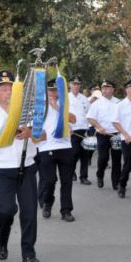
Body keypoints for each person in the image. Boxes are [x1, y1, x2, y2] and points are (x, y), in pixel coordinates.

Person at [0, 70, 45, 262]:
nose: (8, 92)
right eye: (3, 89)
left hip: (27, 167)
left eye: (11, 89)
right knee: (5, 211)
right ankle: (2, 240)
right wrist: (1, 137)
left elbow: (44, 136)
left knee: (29, 212)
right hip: (2, 169)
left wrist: (31, 132)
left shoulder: (28, 113)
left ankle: (28, 252)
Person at [37, 78, 76, 222]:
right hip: (46, 147)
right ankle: (47, 202)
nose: (54, 93)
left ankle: (66, 210)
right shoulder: (39, 106)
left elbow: (73, 119)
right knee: (49, 180)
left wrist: (57, 107)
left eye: (56, 90)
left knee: (67, 181)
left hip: (65, 147)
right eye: (51, 90)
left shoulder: (64, 104)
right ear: (46, 91)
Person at [87, 80, 121, 190]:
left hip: (116, 134)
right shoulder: (97, 103)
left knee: (117, 159)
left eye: (107, 88)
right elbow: (90, 118)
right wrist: (99, 127)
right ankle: (100, 174)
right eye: (103, 88)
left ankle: (116, 182)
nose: (104, 90)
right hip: (102, 134)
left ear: (113, 89)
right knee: (103, 158)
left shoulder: (119, 102)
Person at [68, 75, 92, 185]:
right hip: (72, 131)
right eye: (74, 84)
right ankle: (71, 172)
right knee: (73, 154)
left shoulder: (84, 99)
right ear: (70, 85)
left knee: (85, 155)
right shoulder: (65, 98)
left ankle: (84, 176)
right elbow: (62, 115)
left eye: (78, 84)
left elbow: (88, 113)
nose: (76, 86)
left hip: (83, 129)